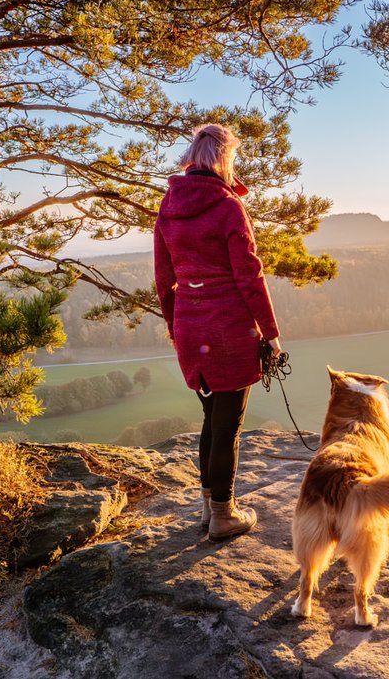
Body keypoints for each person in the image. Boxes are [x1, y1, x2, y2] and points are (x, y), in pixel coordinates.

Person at [153, 123, 283, 542]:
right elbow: (250, 276)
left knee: (212, 418)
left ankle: (209, 509)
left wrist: (176, 328)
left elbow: (162, 279)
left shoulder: (168, 206)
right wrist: (271, 332)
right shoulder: (228, 207)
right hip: (228, 327)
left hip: (190, 326)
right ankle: (224, 516)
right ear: (225, 158)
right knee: (228, 425)